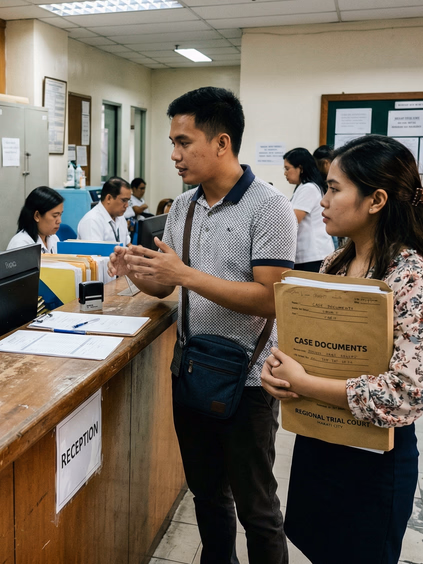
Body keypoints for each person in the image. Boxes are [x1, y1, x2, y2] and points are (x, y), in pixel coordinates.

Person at [109, 87, 296, 564]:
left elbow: (272, 298)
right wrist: (138, 270)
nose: (174, 155)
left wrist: (184, 275)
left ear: (221, 143)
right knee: (208, 496)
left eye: (184, 142)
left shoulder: (268, 207)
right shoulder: (185, 207)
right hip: (192, 370)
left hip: (248, 381)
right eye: (172, 142)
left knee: (257, 508)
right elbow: (167, 287)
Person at [261, 135, 423, 564]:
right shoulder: (334, 265)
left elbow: (406, 395)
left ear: (376, 200)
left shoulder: (412, 278)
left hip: (374, 462)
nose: (323, 200)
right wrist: (279, 370)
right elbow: (303, 346)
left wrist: (308, 382)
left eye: (335, 188)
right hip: (322, 443)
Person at [283, 147, 334, 272]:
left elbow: (292, 220)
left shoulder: (309, 188)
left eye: (287, 168)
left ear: (300, 168)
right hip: (307, 255)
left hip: (313, 255)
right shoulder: (302, 187)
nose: (285, 173)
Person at [7, 186, 64, 253]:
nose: (59, 221)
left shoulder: (54, 239)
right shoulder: (21, 245)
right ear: (37, 216)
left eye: (60, 215)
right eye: (55, 216)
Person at [77, 176, 131, 245]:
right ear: (109, 198)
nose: (127, 205)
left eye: (128, 201)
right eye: (124, 200)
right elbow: (95, 254)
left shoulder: (120, 216)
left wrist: (136, 250)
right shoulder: (92, 221)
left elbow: (127, 243)